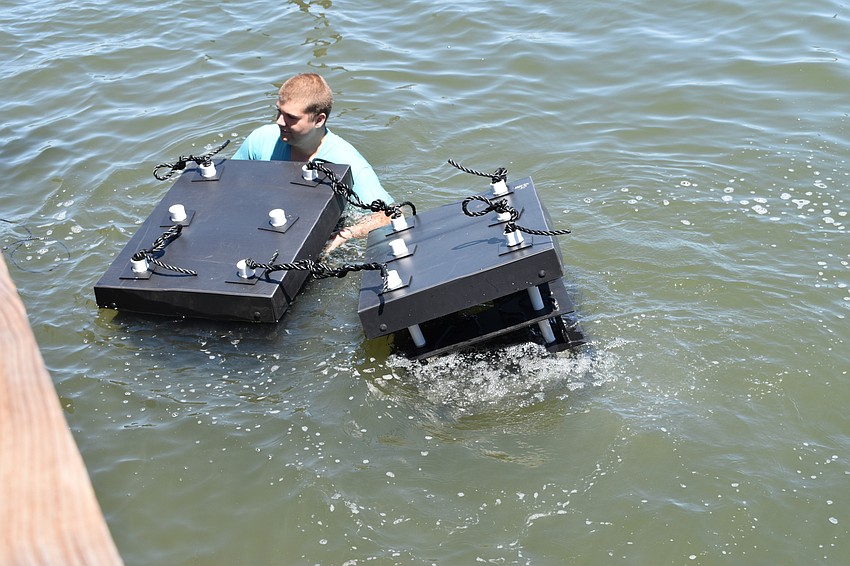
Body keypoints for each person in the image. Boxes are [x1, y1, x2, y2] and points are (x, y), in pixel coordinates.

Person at [232, 73, 392, 252]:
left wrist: (345, 235)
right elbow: (230, 183)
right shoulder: (260, 139)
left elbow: (388, 216)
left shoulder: (350, 164)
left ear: (319, 120)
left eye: (291, 117)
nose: (279, 121)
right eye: (279, 111)